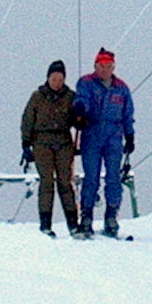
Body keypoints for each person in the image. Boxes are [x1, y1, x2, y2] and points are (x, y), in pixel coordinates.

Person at [75, 47, 135, 238]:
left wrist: (130, 135)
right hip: (92, 134)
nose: (105, 69)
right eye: (102, 66)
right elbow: (82, 100)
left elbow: (128, 113)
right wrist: (80, 111)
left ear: (113, 67)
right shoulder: (86, 83)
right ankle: (86, 217)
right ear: (96, 66)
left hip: (114, 137)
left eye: (109, 66)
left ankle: (111, 216)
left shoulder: (121, 88)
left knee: (113, 177)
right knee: (91, 178)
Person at [20, 59, 82, 237]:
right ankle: (45, 224)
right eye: (54, 79)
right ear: (48, 78)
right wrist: (26, 143)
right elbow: (27, 120)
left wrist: (80, 120)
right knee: (46, 182)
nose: (57, 83)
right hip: (42, 142)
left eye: (60, 79)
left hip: (63, 142)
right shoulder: (37, 97)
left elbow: (76, 118)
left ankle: (73, 224)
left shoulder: (70, 97)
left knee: (65, 182)